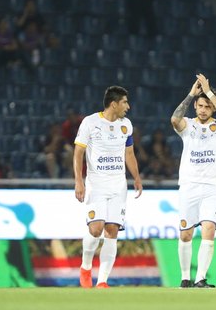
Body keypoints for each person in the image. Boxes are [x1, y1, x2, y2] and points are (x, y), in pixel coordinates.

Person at [74, 86, 143, 289]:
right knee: (95, 229)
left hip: (118, 186)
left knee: (112, 230)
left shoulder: (126, 125)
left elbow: (129, 153)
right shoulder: (90, 122)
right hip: (96, 185)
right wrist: (79, 181)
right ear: (113, 104)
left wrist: (137, 177)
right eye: (125, 102)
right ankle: (86, 267)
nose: (128, 107)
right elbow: (78, 153)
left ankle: (102, 281)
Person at [170, 74, 216, 288]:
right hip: (189, 185)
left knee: (209, 229)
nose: (203, 109)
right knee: (186, 233)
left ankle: (201, 279)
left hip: (212, 187)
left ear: (212, 108)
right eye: (200, 106)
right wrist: (191, 94)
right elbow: (174, 120)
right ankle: (186, 278)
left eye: (207, 106)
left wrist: (209, 92)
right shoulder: (187, 126)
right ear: (195, 107)